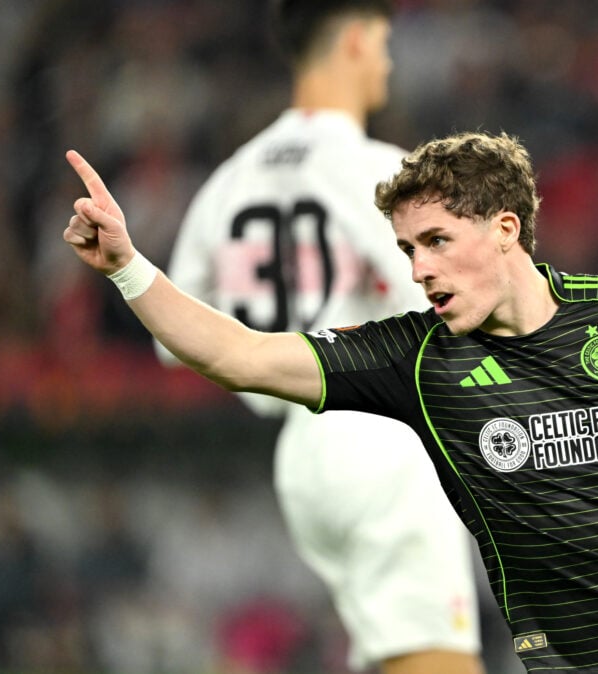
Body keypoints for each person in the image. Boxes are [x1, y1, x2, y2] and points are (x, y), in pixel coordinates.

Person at [63, 129, 598, 673]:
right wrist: (129, 268)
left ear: (506, 229)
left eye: (436, 242)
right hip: (576, 664)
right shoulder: (413, 358)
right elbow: (238, 354)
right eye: (406, 249)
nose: (418, 268)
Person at [151, 2, 485, 674]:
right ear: (358, 38)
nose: (389, 60)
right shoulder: (377, 170)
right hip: (381, 439)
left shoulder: (230, 181)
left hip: (301, 453)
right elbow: (455, 303)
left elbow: (174, 338)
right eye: (386, 42)